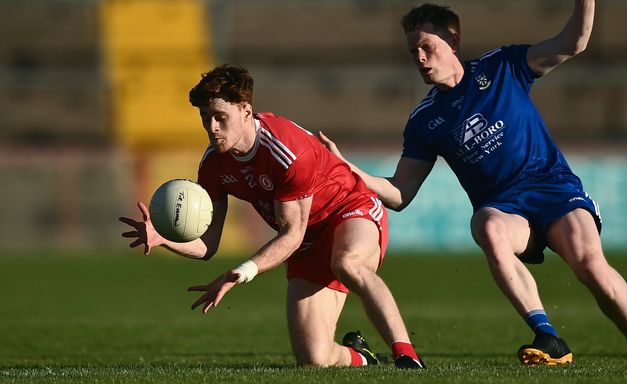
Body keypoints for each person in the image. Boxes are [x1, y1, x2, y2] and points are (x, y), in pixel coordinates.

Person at [319, 0, 627, 365]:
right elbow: (399, 193)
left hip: (553, 189)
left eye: (426, 47)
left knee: (591, 267)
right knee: (487, 225)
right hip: (506, 208)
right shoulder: (425, 120)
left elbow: (572, 43)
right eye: (413, 51)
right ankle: (548, 337)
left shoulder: (503, 66)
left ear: (452, 42)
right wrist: (349, 168)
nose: (419, 58)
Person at [119, 64, 424, 369]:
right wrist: (164, 239)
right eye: (205, 118)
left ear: (246, 111)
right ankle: (366, 359)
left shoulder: (286, 151)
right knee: (314, 359)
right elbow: (207, 245)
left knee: (348, 263)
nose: (211, 127)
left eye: (220, 117)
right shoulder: (213, 165)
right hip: (306, 240)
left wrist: (241, 272)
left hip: (347, 208)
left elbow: (291, 233)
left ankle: (406, 355)